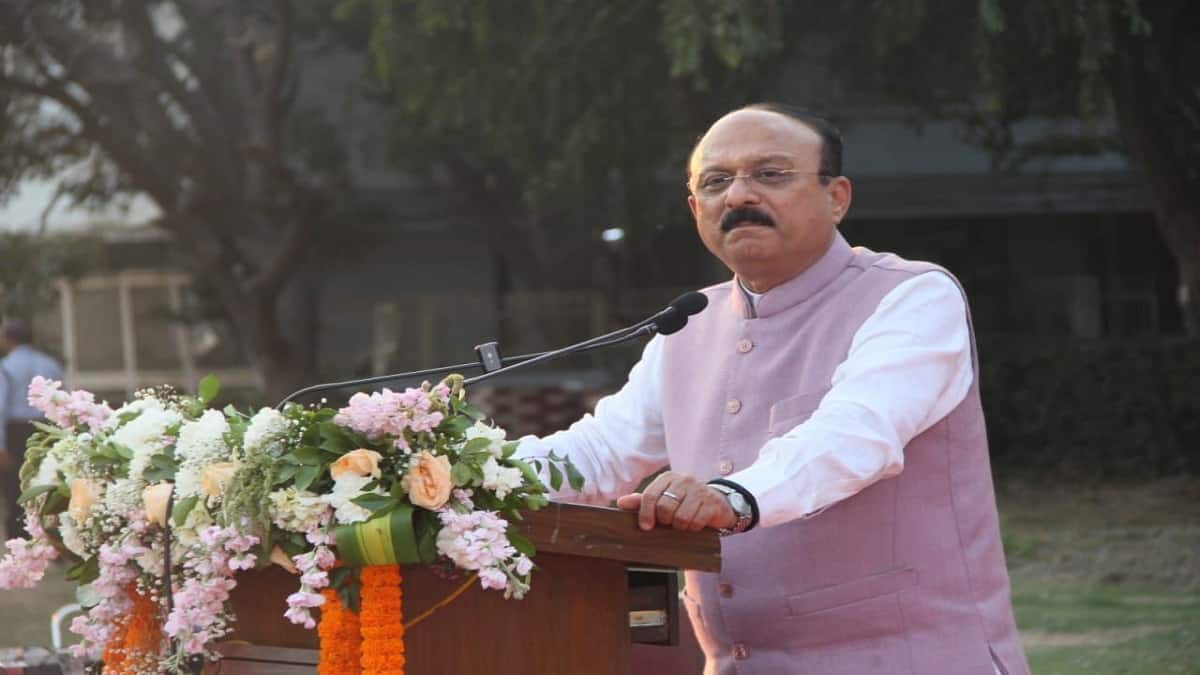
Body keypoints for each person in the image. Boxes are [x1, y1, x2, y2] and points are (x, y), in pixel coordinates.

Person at [517, 103, 1030, 674]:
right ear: (695, 209)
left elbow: (855, 435)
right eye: (716, 182)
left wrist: (731, 497)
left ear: (837, 197)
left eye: (770, 174)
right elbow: (599, 453)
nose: (737, 197)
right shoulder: (687, 327)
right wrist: (453, 472)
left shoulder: (912, 297)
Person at [0, 318, 63, 539]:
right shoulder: (50, 364)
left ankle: (20, 539)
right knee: (49, 483)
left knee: (15, 487)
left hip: (15, 432)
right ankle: (53, 538)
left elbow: (0, 407)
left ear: (8, 339)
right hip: (46, 429)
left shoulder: (5, 367)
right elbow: (61, 402)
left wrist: (1, 444)